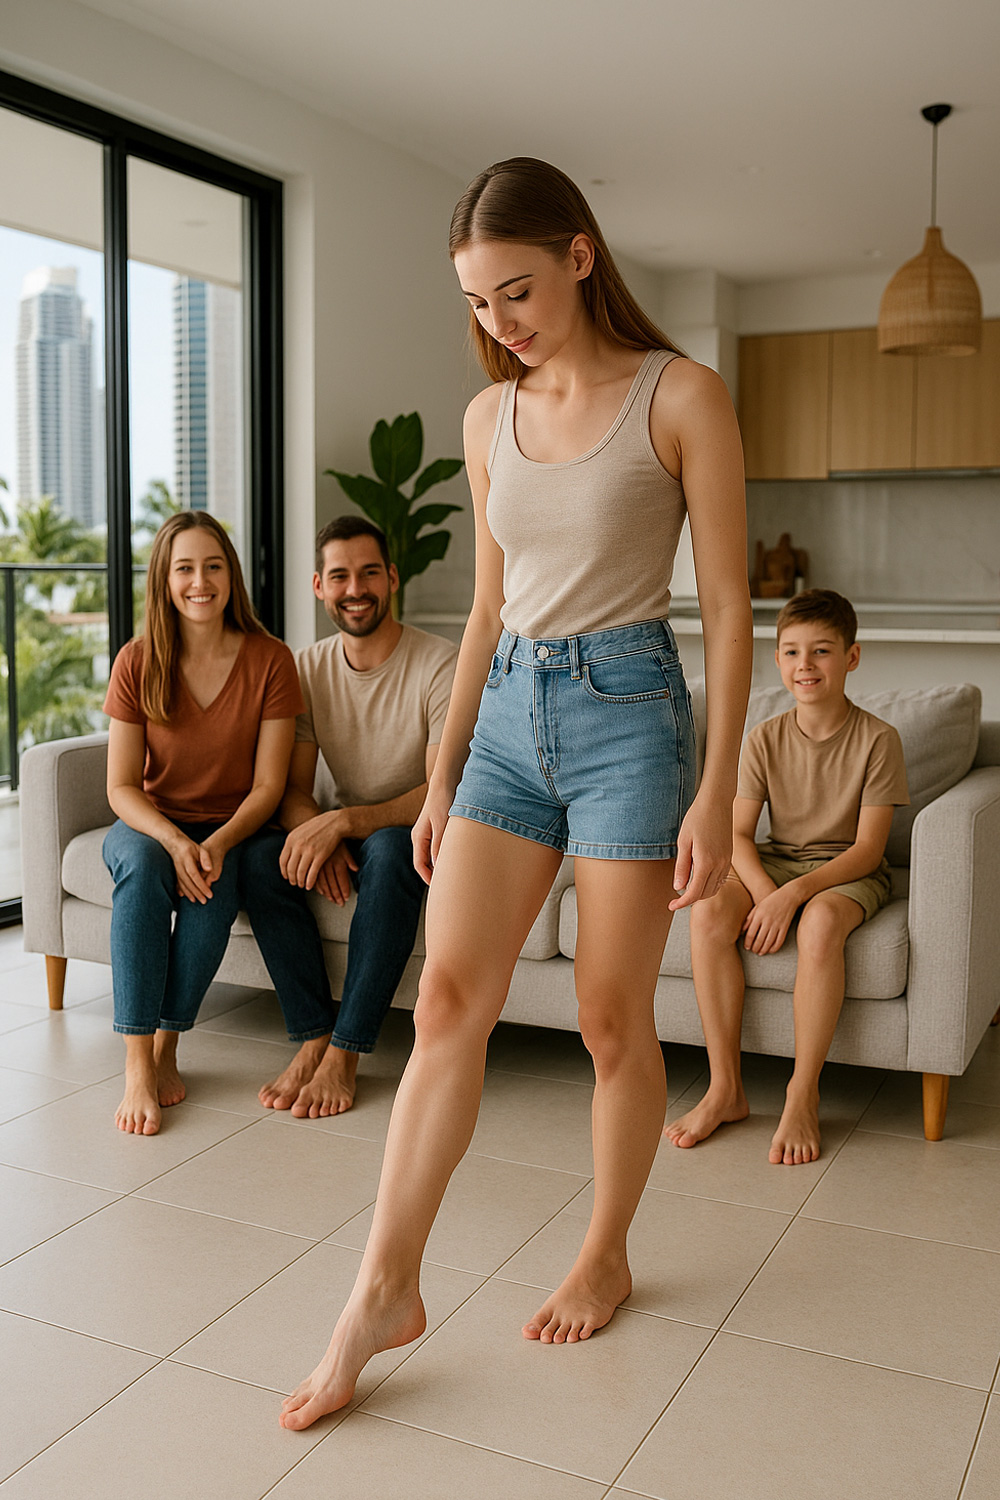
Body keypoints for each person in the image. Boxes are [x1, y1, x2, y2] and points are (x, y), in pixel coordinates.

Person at [280, 156, 751, 1430]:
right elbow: (485, 607)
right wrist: (438, 777)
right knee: (446, 998)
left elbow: (721, 611)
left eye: (519, 290)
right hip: (504, 729)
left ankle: (605, 1249)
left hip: (630, 718)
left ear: (581, 255)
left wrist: (716, 795)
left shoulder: (682, 396)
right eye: (481, 303)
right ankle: (383, 1288)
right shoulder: (489, 420)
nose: (502, 323)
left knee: (608, 1021)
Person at [103, 511, 336, 1136]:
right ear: (164, 579)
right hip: (153, 825)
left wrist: (215, 843)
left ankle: (168, 1047)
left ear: (230, 575)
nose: (199, 581)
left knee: (214, 891)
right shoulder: (137, 660)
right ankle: (137, 1064)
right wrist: (175, 839)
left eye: (213, 566)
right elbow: (121, 786)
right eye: (185, 568)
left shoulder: (270, 660)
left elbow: (268, 787)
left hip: (232, 826)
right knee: (147, 866)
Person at [665, 589, 909, 1165]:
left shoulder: (879, 740)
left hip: (845, 869)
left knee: (821, 924)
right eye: (793, 652)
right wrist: (767, 892)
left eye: (822, 651)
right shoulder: (764, 736)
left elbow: (870, 850)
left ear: (851, 658)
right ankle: (725, 1086)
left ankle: (803, 1092)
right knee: (708, 910)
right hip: (776, 860)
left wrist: (794, 896)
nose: (806, 665)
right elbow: (740, 835)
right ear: (777, 660)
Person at [259, 515, 457, 1116]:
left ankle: (345, 1052)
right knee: (261, 860)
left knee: (392, 848)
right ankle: (313, 1032)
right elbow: (294, 791)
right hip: (357, 830)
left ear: (392, 578)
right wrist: (314, 833)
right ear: (318, 586)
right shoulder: (306, 669)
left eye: (369, 572)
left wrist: (343, 823)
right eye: (339, 576)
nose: (355, 589)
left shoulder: (439, 663)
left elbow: (439, 790)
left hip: (425, 832)